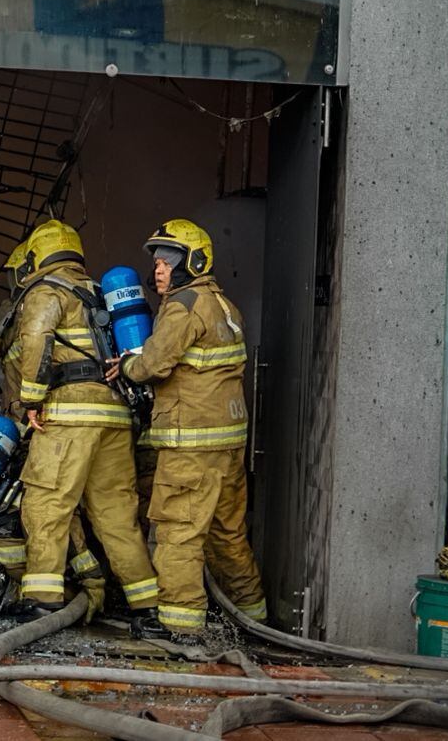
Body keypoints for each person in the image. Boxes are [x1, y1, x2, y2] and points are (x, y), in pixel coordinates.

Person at [0, 219, 159, 620]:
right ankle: (146, 606)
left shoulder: (46, 291)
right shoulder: (99, 294)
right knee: (116, 516)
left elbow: (35, 340)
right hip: (113, 419)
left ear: (36, 257)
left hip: (68, 414)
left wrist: (30, 400)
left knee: (45, 504)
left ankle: (44, 599)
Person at [108, 219, 267, 641]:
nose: (159, 268)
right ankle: (255, 619)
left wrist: (126, 364)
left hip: (190, 446)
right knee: (227, 535)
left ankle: (180, 626)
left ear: (194, 262)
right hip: (228, 445)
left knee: (177, 531)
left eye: (169, 260)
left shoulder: (183, 304)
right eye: (157, 261)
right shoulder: (224, 306)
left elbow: (153, 365)